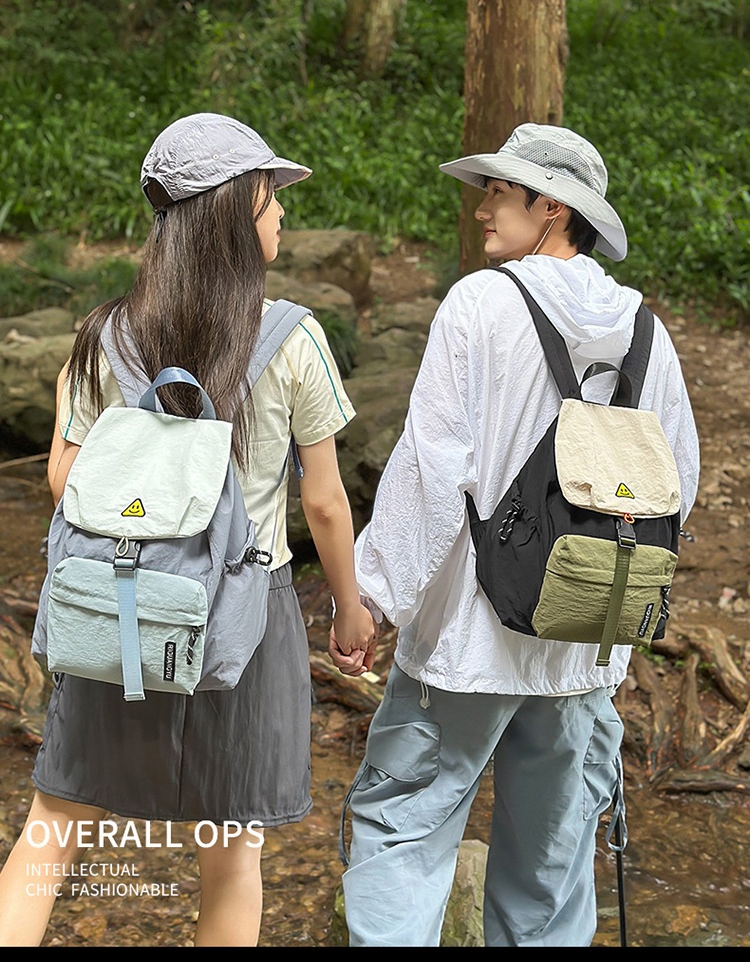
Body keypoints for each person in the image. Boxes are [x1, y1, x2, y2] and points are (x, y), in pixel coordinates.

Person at [0, 112, 375, 948]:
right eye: (272, 196)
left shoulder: (104, 335)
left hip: (123, 605)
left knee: (53, 830)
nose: (282, 213)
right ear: (238, 208)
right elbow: (323, 503)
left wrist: (85, 418)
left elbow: (66, 484)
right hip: (244, 618)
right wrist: (350, 608)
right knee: (231, 851)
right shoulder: (292, 338)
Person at [330, 123, 700, 947]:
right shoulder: (647, 330)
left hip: (469, 640)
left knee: (402, 832)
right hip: (583, 645)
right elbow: (680, 486)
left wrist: (370, 599)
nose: (483, 206)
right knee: (548, 879)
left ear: (551, 209)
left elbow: (431, 470)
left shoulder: (483, 303)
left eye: (500, 191)